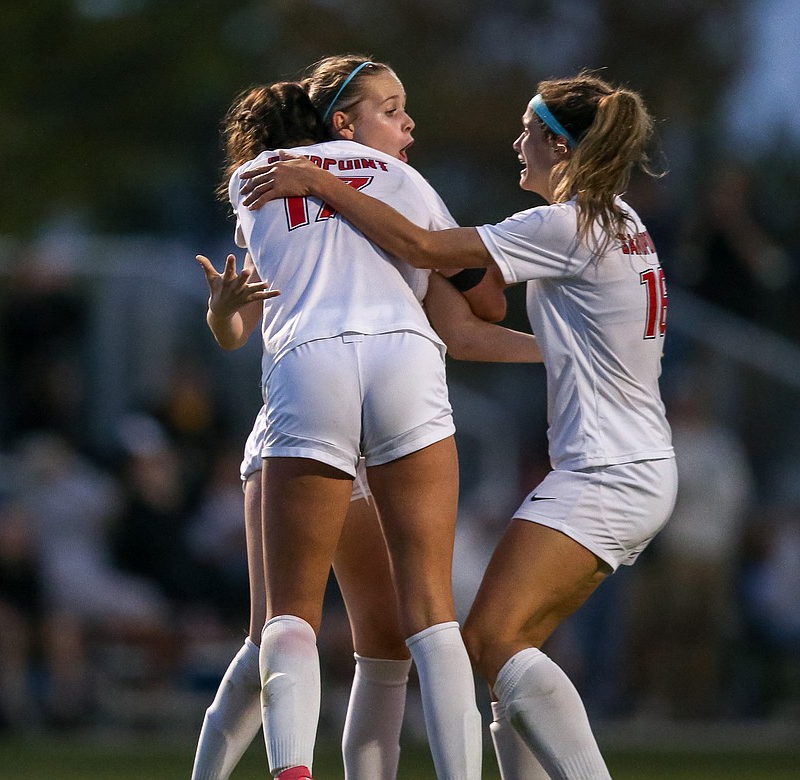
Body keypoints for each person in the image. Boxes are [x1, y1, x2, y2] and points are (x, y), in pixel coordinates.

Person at [240, 71, 676, 779]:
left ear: (561, 148)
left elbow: (427, 250)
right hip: (633, 466)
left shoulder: (564, 223)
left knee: (488, 638)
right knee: (505, 648)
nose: (518, 144)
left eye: (530, 132)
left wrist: (321, 185)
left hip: (605, 472)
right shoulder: (620, 222)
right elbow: (472, 334)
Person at [197, 62, 534, 780]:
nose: (409, 124)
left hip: (308, 367)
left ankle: (285, 771)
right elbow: (483, 312)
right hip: (401, 362)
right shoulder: (405, 182)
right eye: (393, 108)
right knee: (429, 619)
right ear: (343, 123)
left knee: (285, 621)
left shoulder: (257, 176)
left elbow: (242, 324)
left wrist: (223, 310)